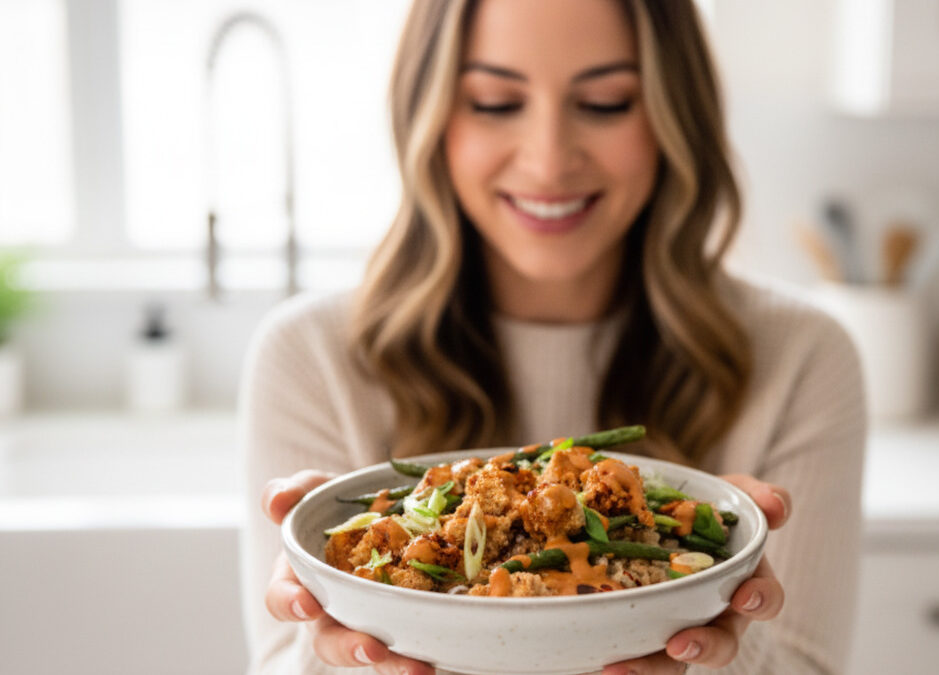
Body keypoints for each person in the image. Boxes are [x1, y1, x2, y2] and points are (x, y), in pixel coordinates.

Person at [240, 0, 865, 673]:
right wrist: (338, 626)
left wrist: (721, 621)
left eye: (604, 102)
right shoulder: (310, 356)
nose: (548, 161)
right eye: (495, 101)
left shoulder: (802, 355)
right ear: (428, 117)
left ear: (673, 115)